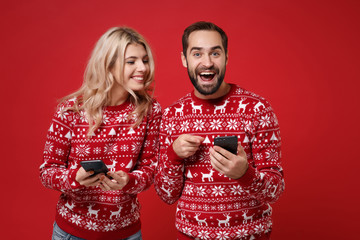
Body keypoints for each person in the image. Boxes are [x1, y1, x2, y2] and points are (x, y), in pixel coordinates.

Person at [155, 21, 284, 240]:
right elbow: (167, 195)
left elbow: (275, 190)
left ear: (226, 57)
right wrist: (173, 155)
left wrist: (245, 174)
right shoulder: (172, 115)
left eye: (215, 53)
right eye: (197, 54)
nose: (207, 62)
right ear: (184, 59)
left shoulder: (257, 109)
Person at [40, 27, 162, 240]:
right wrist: (74, 178)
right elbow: (47, 171)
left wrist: (130, 180)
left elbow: (150, 169)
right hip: (73, 233)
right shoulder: (72, 110)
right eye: (131, 61)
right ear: (109, 64)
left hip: (127, 233)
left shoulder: (150, 110)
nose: (143, 67)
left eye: (144, 60)